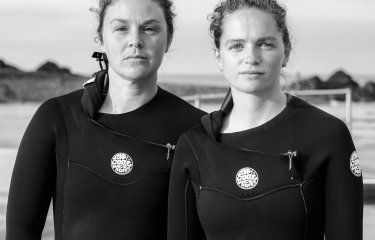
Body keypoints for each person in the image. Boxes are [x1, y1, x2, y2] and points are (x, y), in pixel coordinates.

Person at [6, 0, 205, 239]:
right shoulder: (57, 118)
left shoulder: (196, 130)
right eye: (121, 28)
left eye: (149, 28)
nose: (135, 41)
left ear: (169, 39)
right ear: (101, 37)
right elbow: (20, 232)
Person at [167, 0, 363, 239]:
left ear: (286, 52)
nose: (251, 57)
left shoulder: (328, 134)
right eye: (237, 45)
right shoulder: (195, 144)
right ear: (219, 56)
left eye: (265, 44)